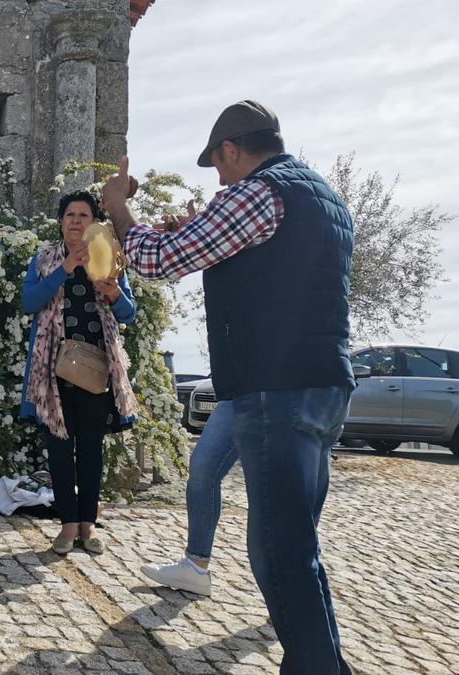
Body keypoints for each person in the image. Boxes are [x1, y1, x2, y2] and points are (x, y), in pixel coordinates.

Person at [101, 100, 356, 674]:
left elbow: (159, 261)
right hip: (326, 384)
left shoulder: (258, 192)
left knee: (278, 550)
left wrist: (121, 210)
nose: (218, 178)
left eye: (217, 165)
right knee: (299, 543)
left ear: (233, 150)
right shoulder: (326, 197)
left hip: (273, 386)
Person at [18, 190, 139, 555]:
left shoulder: (109, 259)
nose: (75, 220)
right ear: (61, 221)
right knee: (58, 448)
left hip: (96, 371)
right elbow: (29, 302)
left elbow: (128, 314)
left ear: (93, 222)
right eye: (69, 214)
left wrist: (115, 295)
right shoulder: (44, 260)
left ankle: (88, 525)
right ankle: (67, 526)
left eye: (83, 215)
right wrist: (64, 270)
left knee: (90, 450)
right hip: (52, 370)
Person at [141, 400, 235, 595]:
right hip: (237, 393)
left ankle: (299, 583)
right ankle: (196, 566)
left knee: (285, 485)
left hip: (284, 391)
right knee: (203, 468)